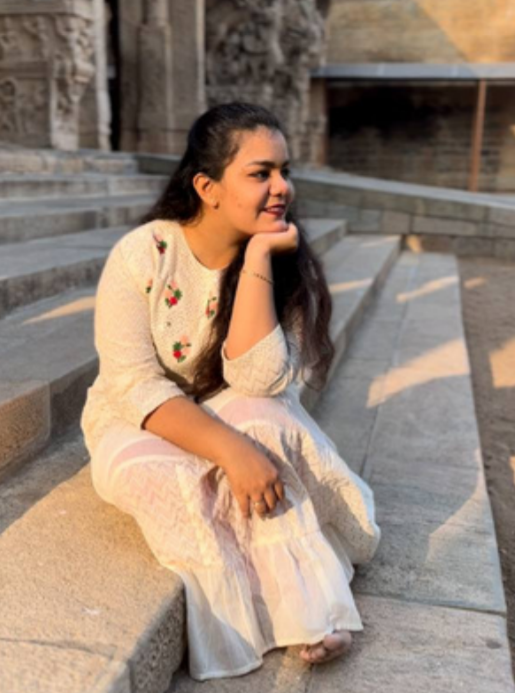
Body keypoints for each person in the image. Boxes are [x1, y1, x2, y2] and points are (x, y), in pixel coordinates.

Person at [80, 101, 381, 682]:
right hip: (137, 420)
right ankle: (267, 606)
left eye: (284, 171)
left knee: (266, 422)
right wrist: (230, 451)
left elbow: (258, 381)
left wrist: (260, 257)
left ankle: (311, 609)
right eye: (260, 173)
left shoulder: (282, 259)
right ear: (207, 187)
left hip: (235, 408)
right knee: (175, 481)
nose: (282, 187)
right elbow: (133, 383)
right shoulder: (144, 254)